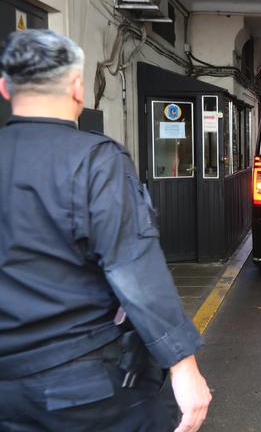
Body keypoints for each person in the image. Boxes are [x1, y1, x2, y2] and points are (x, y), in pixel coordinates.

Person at [0, 29, 211, 431]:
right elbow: (133, 269)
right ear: (78, 88)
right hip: (82, 386)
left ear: (5, 87)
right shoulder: (95, 160)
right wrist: (183, 366)